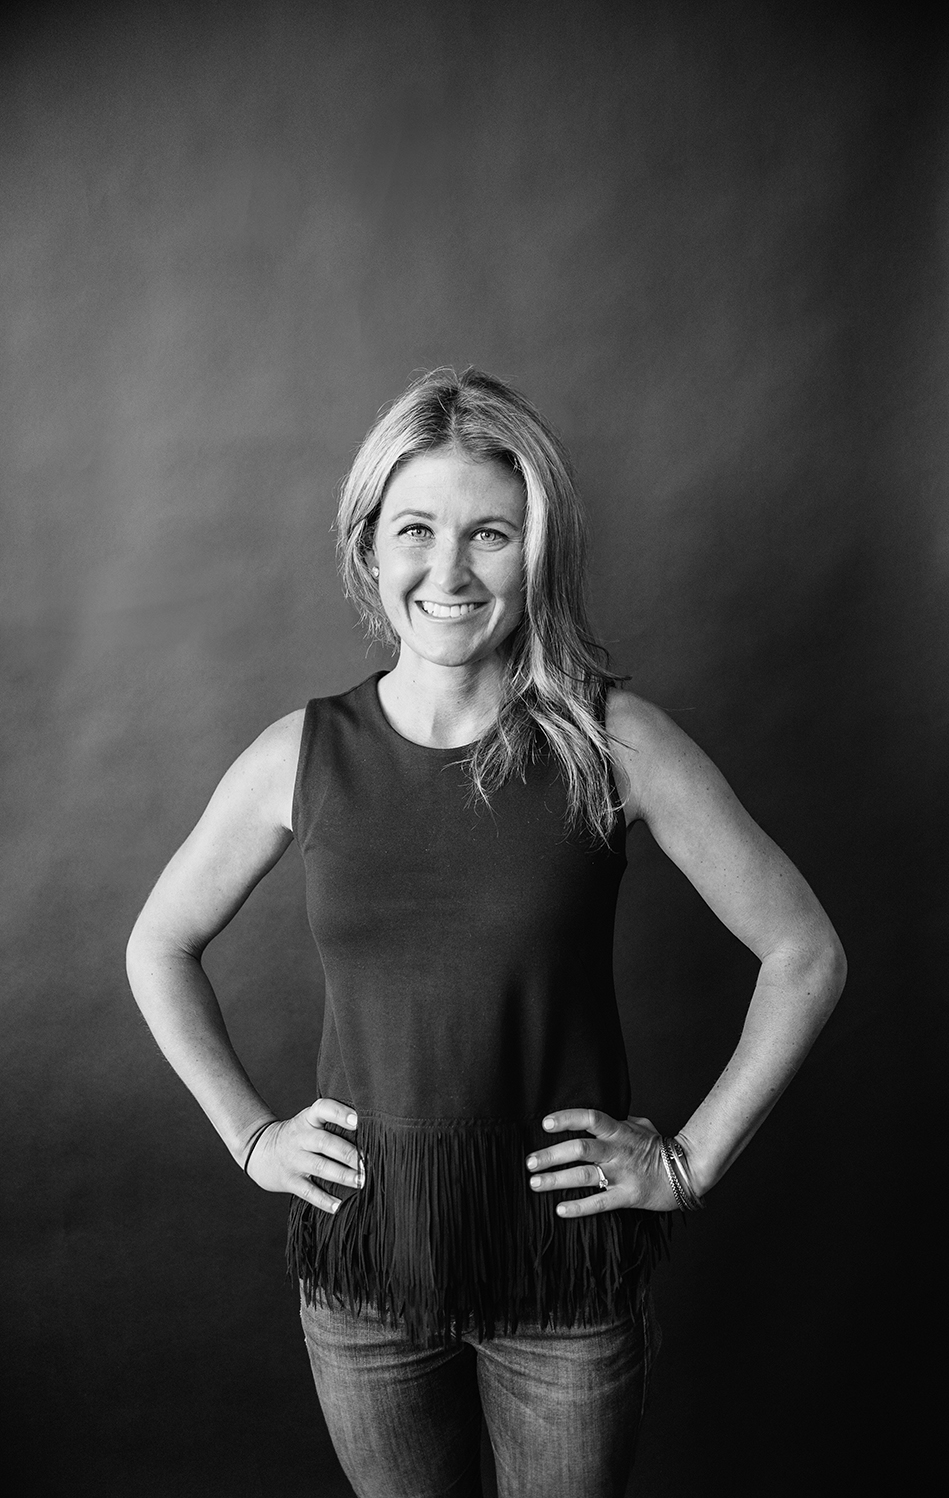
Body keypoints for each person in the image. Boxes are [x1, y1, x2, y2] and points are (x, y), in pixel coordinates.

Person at [126, 367, 846, 1498]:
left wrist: (687, 1163)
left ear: (536, 553)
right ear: (370, 548)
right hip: (363, 1278)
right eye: (416, 529)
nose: (450, 571)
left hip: (565, 1284)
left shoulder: (612, 742)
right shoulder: (301, 753)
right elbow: (157, 946)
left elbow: (805, 954)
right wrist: (252, 1137)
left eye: (491, 534)